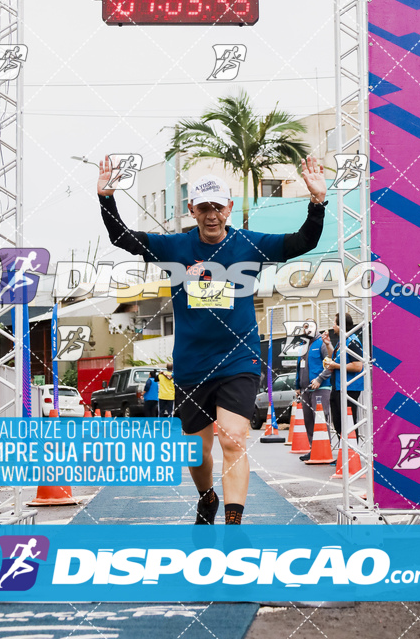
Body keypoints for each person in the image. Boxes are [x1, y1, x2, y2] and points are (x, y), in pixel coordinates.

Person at [98, 154, 327, 525]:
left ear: (229, 208)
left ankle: (234, 525)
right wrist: (107, 198)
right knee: (197, 450)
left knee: (233, 437)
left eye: (217, 207)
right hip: (192, 363)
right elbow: (122, 238)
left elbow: (303, 241)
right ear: (192, 209)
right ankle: (207, 496)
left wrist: (316, 202)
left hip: (239, 358)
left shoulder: (249, 245)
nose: (211, 215)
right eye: (203, 207)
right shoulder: (175, 248)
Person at [314, 313, 363, 440]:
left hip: (349, 388)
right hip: (337, 386)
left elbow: (358, 366)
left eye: (335, 324)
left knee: (348, 422)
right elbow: (334, 358)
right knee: (338, 422)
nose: (333, 326)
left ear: (341, 325)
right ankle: (344, 452)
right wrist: (327, 344)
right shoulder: (342, 341)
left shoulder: (352, 341)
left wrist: (336, 366)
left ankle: (351, 453)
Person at [295, 328, 333, 461]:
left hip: (321, 387)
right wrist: (297, 385)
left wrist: (319, 379)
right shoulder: (303, 345)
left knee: (320, 419)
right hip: (305, 389)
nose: (306, 330)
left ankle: (325, 449)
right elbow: (299, 366)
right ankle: (314, 449)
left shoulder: (322, 344)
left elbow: (331, 364)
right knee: (308, 420)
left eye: (308, 327)